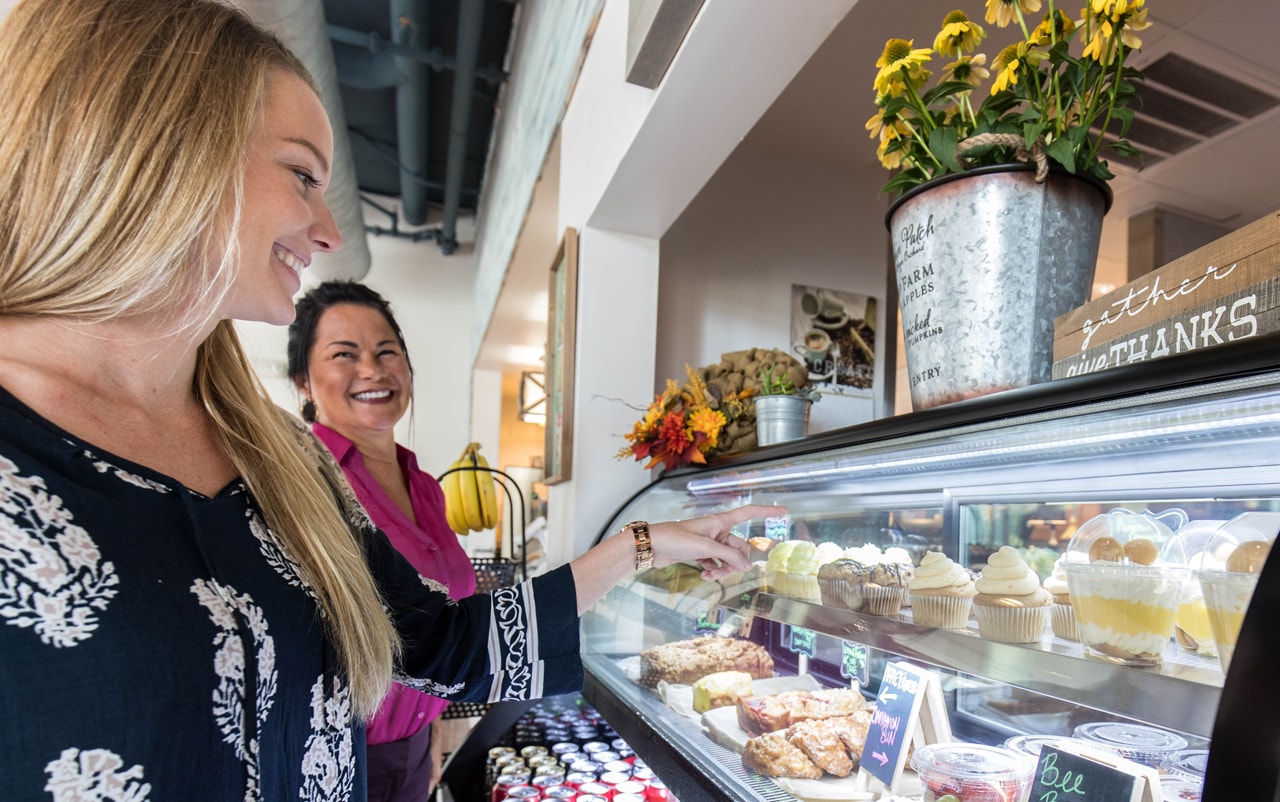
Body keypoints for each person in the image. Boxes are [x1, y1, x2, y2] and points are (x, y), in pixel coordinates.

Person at [0, 0, 778, 799]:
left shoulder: (284, 462)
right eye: (303, 175)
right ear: (161, 150)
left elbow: (437, 644)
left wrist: (643, 546)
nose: (330, 230)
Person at [288, 281, 478, 801]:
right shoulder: (299, 483)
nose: (371, 370)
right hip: (334, 754)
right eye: (344, 355)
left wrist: (433, 728)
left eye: (386, 351)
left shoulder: (425, 486)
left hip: (414, 746)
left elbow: (443, 621)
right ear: (304, 381)